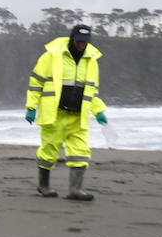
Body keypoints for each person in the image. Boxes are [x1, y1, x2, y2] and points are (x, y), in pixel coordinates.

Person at [25, 23, 109, 201]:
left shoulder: (91, 60)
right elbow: (36, 82)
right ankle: (44, 186)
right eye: (78, 41)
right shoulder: (52, 56)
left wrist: (99, 110)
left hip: (78, 116)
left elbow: (92, 91)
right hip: (55, 114)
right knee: (49, 151)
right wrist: (31, 107)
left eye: (84, 42)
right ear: (72, 38)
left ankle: (75, 190)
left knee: (81, 152)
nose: (81, 45)